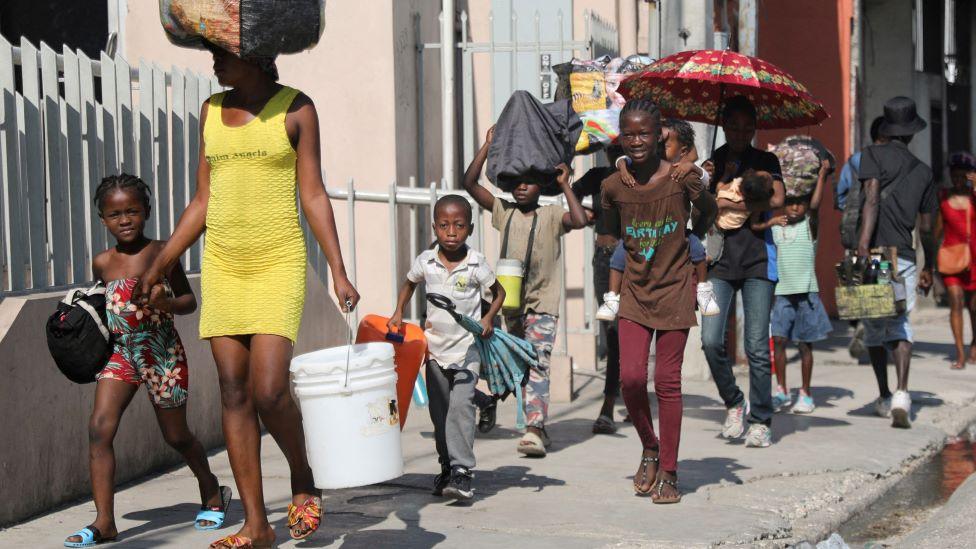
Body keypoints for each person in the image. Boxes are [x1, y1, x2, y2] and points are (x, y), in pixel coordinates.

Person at [137, 46, 360, 548]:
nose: (215, 62)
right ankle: (257, 526)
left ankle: (303, 474)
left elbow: (313, 194)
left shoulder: (296, 108)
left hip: (277, 260)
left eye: (226, 54)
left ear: (257, 55)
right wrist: (162, 260)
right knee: (233, 389)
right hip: (224, 265)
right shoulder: (211, 110)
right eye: (214, 53)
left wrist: (339, 271)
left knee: (268, 389)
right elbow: (203, 199)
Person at [65, 175, 228, 548]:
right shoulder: (102, 263)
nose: (125, 220)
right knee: (99, 429)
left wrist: (166, 303)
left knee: (176, 435)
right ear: (102, 219)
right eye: (115, 214)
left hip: (161, 352)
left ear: (147, 213)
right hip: (121, 353)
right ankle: (105, 521)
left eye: (133, 211)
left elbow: (189, 302)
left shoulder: (161, 253)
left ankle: (210, 488)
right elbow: (102, 306)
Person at [601, 99, 717, 503]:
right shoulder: (614, 185)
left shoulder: (682, 177)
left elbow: (708, 215)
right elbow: (610, 230)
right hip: (634, 291)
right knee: (630, 379)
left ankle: (669, 469)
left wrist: (698, 183)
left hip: (675, 291)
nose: (636, 141)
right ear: (621, 136)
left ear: (659, 136)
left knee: (667, 383)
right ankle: (649, 445)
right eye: (628, 134)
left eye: (644, 133)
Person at [462, 126, 588, 457]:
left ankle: (533, 428)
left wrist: (565, 185)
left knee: (538, 362)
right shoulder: (504, 212)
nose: (521, 187)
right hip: (510, 305)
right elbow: (469, 185)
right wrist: (487, 145)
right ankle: (534, 423)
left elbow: (579, 221)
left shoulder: (551, 215)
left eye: (529, 181)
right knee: (513, 366)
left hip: (543, 304)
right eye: (515, 181)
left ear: (541, 185)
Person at [387, 195, 505, 500]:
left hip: (467, 350)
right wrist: (398, 311)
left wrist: (489, 318)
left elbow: (499, 292)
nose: (451, 232)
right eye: (444, 225)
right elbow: (409, 283)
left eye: (459, 225)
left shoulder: (477, 263)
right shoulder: (426, 261)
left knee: (459, 410)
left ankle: (463, 472)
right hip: (435, 351)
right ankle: (446, 465)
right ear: (435, 227)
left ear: (470, 228)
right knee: (439, 415)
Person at [700, 95, 785, 448]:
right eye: (731, 125)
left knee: (755, 346)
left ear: (753, 128)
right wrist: (713, 186)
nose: (737, 131)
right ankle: (734, 402)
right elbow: (700, 202)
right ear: (723, 126)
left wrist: (732, 200)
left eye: (744, 126)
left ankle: (761, 418)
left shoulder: (765, 160)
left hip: (757, 263)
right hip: (718, 262)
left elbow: (778, 198)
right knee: (710, 340)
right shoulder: (713, 161)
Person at [855, 96, 936, 429]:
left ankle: (885, 395)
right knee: (901, 323)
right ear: (912, 132)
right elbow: (928, 228)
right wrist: (928, 266)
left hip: (874, 255)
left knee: (875, 327)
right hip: (904, 255)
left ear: (887, 128)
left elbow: (871, 198)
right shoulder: (924, 171)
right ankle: (904, 393)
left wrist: (862, 245)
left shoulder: (872, 154)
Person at [595, 119, 720, 323]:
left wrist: (693, 167)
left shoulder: (684, 172)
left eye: (666, 144)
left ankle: (704, 289)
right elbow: (621, 160)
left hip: (675, 234)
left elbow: (705, 181)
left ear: (683, 150)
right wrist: (624, 169)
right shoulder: (639, 168)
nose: (659, 148)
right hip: (640, 234)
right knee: (618, 256)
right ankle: (612, 298)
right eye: (658, 143)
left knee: (696, 248)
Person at [571, 146, 633, 434]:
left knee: (627, 330)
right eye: (613, 145)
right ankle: (612, 401)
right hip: (603, 258)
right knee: (611, 330)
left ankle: (617, 399)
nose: (617, 150)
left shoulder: (638, 178)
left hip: (632, 260)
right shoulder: (597, 175)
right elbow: (573, 191)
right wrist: (583, 211)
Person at [770, 159, 833, 414]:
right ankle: (782, 390)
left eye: (800, 203)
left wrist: (822, 176)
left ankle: (806, 393)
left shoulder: (809, 228)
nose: (795, 207)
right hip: (782, 294)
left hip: (806, 294)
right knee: (779, 341)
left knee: (805, 345)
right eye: (790, 202)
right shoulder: (776, 230)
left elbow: (816, 206)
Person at [837, 116, 888, 360]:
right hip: (884, 238)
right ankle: (877, 335)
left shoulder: (856, 161)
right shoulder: (894, 162)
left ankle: (858, 325)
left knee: (855, 281)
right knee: (882, 282)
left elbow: (840, 196)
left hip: (855, 235)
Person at [937, 152, 976, 370]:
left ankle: (974, 346)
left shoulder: (974, 196)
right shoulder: (942, 196)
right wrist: (930, 262)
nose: (959, 180)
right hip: (952, 257)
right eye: (955, 176)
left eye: (963, 176)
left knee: (974, 307)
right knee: (956, 300)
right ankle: (960, 353)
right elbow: (935, 230)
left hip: (975, 259)